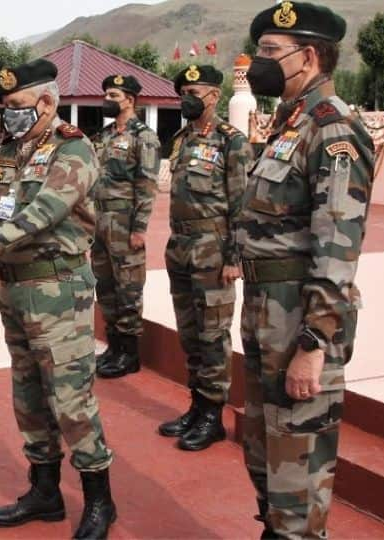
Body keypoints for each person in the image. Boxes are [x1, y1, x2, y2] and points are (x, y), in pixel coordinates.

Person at [0, 59, 116, 540]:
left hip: (58, 291)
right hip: (15, 288)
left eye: (16, 107)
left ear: (47, 103)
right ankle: (45, 491)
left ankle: (100, 501)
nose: (9, 116)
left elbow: (43, 213)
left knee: (71, 401)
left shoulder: (74, 150)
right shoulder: (12, 154)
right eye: (4, 108)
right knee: (29, 397)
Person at [239, 2, 374, 537]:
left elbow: (338, 246)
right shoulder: (287, 123)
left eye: (271, 53)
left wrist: (314, 342)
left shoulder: (332, 128)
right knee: (265, 452)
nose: (258, 63)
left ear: (309, 56)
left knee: (299, 465)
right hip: (264, 309)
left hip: (301, 317)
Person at [156, 64, 252, 452]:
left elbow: (242, 204)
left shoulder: (232, 142)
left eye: (195, 91)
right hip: (180, 246)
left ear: (214, 96)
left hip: (214, 249)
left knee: (213, 334)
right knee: (190, 332)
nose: (187, 98)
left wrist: (234, 257)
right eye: (184, 92)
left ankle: (213, 415)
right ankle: (197, 406)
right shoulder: (180, 139)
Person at [91, 74, 160, 379]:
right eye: (106, 93)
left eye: (114, 95)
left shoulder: (143, 137)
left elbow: (146, 185)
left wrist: (139, 228)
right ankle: (114, 347)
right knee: (105, 286)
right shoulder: (104, 135)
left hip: (124, 221)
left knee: (128, 287)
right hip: (100, 221)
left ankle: (129, 354)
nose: (107, 99)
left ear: (130, 100)